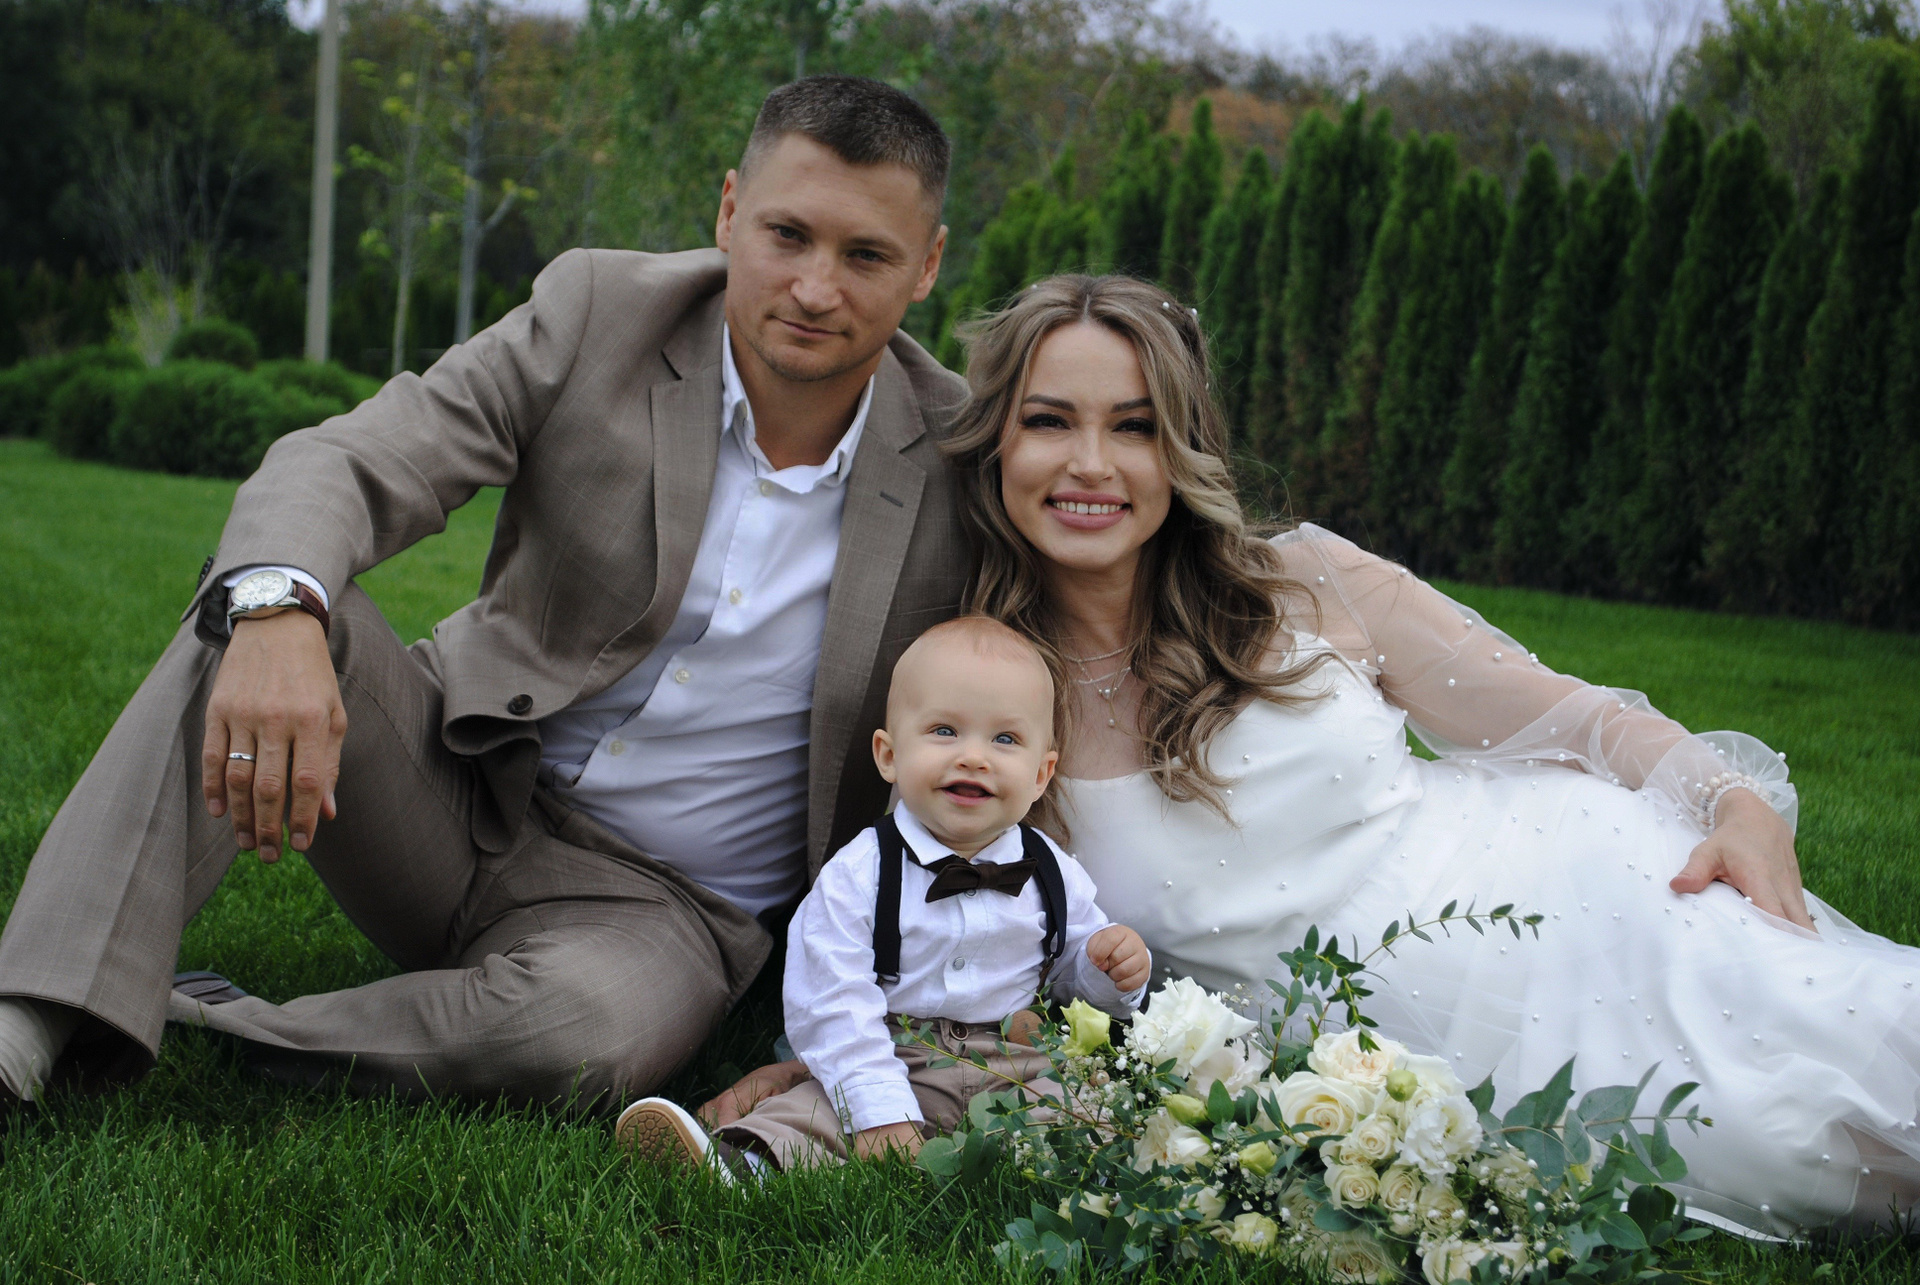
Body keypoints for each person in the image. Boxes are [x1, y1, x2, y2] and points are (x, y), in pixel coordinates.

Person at [706, 273, 1920, 1238]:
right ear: (995, 444)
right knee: (1797, 1156)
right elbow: (927, 915)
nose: (1090, 465)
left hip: (1590, 902)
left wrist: (1734, 799)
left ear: (1182, 447)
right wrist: (812, 1064)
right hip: (1383, 1073)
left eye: (1134, 426)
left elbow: (1574, 716)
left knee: (1857, 1061)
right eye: (1049, 421)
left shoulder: (1305, 580)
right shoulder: (987, 704)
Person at [0, 75, 972, 1112]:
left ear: (927, 265)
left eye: (866, 255)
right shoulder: (602, 312)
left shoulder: (962, 457)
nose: (816, 288)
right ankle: (31, 1016)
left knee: (582, 1040)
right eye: (788, 235)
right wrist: (280, 610)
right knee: (256, 607)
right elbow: (354, 458)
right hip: (458, 784)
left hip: (662, 911)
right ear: (730, 210)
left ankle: (210, 1023)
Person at [618, 616, 1149, 1178]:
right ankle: (741, 1166)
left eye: (1005, 739)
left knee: (1090, 1110)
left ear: (1041, 774)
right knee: (813, 1113)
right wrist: (880, 1111)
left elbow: (1070, 976)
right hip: (895, 1054)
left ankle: (1081, 1169)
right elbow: (833, 1000)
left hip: (1015, 1061)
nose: (974, 757)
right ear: (889, 755)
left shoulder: (1052, 869)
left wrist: (1107, 969)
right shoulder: (860, 872)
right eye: (944, 730)